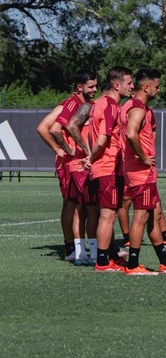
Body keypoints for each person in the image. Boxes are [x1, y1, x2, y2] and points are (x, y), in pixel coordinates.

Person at [121, 67, 166, 275]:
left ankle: (164, 262)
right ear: (146, 87)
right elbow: (131, 134)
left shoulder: (137, 107)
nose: (159, 90)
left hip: (143, 172)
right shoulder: (137, 108)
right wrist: (142, 157)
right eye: (156, 86)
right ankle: (133, 265)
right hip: (140, 172)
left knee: (154, 215)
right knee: (141, 217)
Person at [36, 70, 99, 264]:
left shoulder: (80, 104)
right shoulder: (72, 103)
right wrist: (60, 148)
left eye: (96, 86)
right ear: (79, 87)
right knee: (74, 205)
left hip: (75, 162)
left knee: (77, 205)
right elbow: (45, 127)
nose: (94, 90)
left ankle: (77, 248)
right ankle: (71, 248)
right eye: (91, 86)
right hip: (70, 164)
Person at [84, 66, 135, 272]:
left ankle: (109, 256)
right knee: (107, 215)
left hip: (103, 167)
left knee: (106, 214)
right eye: (129, 83)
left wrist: (90, 158)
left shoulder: (99, 103)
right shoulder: (111, 106)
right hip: (108, 168)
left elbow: (93, 136)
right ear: (116, 85)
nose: (132, 86)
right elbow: (102, 139)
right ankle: (102, 261)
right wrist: (92, 157)